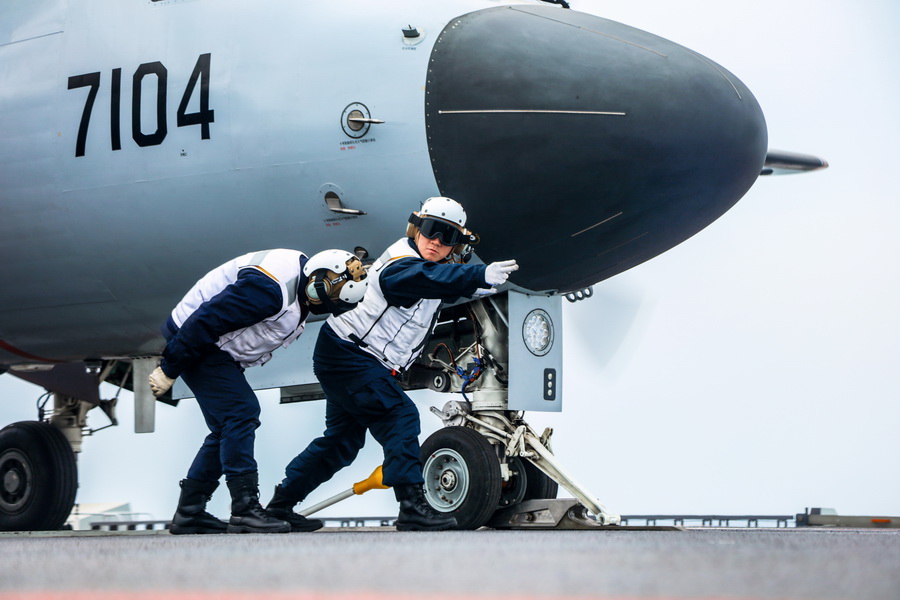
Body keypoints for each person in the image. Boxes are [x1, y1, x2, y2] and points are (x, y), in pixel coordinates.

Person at [265, 197, 518, 531]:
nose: (437, 241)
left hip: (350, 357)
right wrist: (479, 272)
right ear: (416, 229)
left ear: (457, 245)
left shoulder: (431, 271)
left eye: (448, 236)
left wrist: (474, 279)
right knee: (400, 416)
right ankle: (412, 507)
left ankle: (279, 505)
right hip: (350, 356)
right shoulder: (402, 264)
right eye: (431, 230)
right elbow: (419, 278)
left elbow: (440, 282)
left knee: (342, 442)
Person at [147, 248, 367, 535]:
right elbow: (207, 319)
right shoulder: (269, 290)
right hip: (195, 338)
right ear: (319, 275)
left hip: (216, 348)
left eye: (331, 304)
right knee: (242, 412)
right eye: (324, 295)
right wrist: (169, 368)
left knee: (227, 426)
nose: (321, 304)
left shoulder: (302, 284)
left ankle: (190, 512)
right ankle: (244, 508)